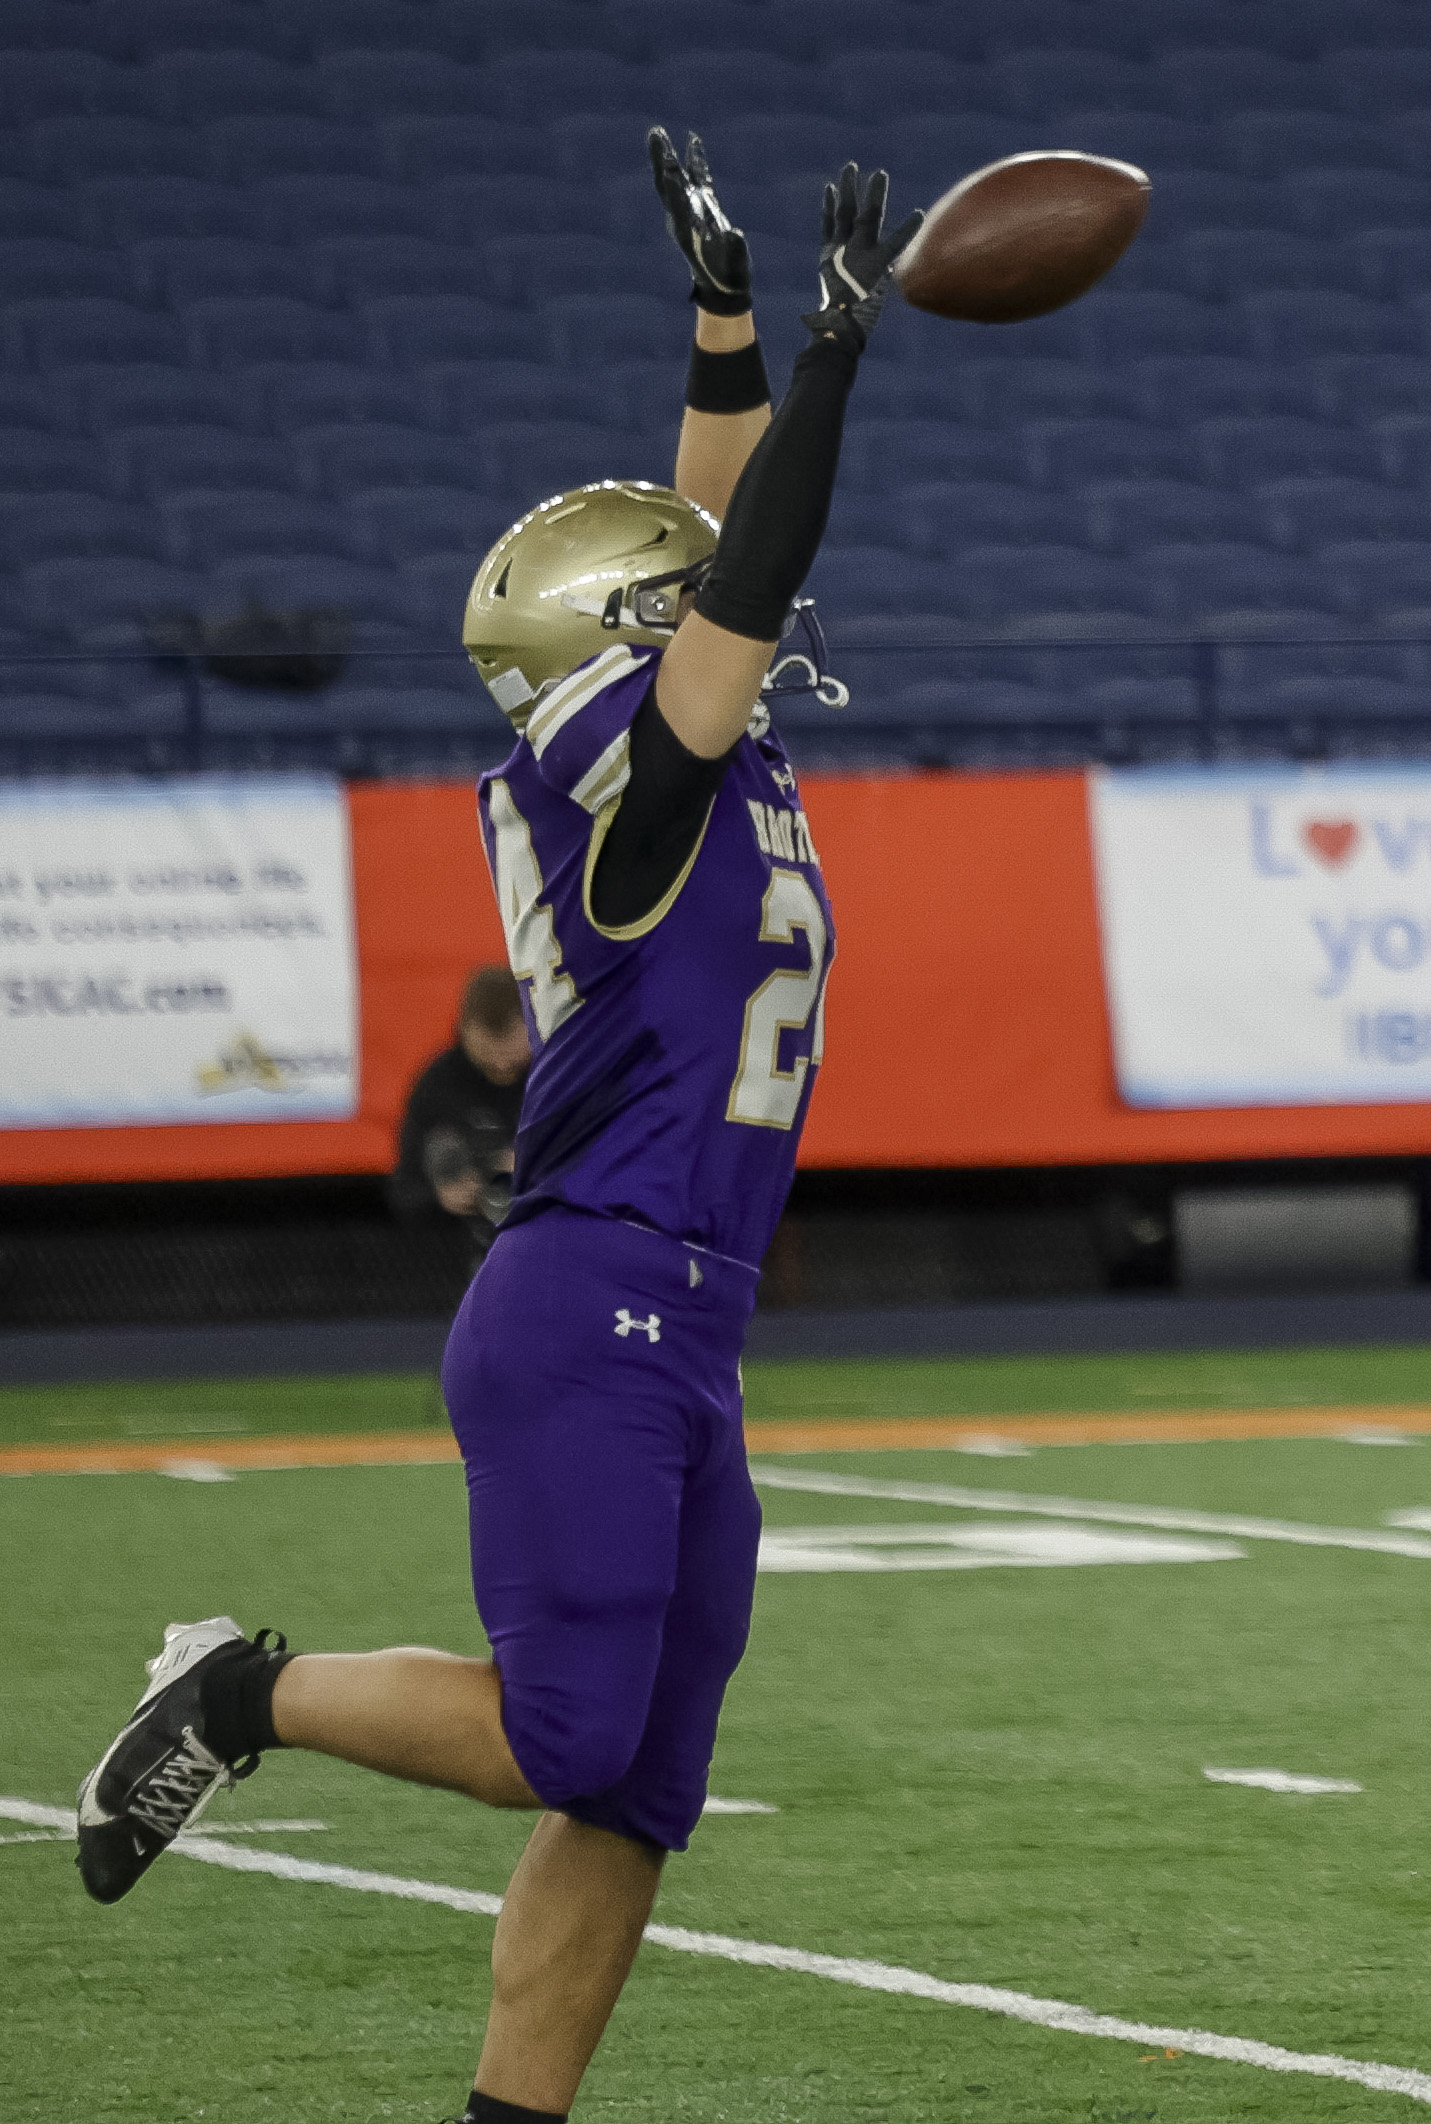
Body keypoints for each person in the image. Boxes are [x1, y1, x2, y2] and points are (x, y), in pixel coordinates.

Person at [71, 135, 915, 2124]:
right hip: (592, 1304)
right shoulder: (637, 799)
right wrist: (837, 357)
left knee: (632, 1795)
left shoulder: (650, 750)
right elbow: (753, 558)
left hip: (679, 1319)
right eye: (684, 610)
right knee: (560, 1735)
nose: (728, 617)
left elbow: (708, 526)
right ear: (636, 639)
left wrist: (723, 324)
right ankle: (234, 1689)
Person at [391, 965, 534, 1249]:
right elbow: (403, 1187)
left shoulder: (556, 1079)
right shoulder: (441, 1084)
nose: (502, 1064)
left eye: (510, 1052)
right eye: (489, 1054)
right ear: (465, 1031)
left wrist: (536, 1167)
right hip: (459, 1248)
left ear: (533, 1026)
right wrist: (442, 1194)